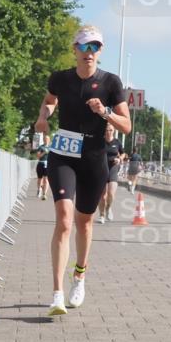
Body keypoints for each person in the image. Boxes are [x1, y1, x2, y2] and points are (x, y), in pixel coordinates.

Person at [35, 25, 131, 316]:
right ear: (75, 49)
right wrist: (43, 118)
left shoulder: (111, 82)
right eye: (85, 47)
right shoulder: (60, 79)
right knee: (64, 221)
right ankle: (57, 294)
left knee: (84, 222)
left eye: (95, 48)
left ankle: (79, 275)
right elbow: (50, 101)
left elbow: (126, 125)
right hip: (63, 154)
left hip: (93, 157)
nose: (90, 53)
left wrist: (104, 112)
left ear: (100, 52)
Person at [98, 124, 123, 224]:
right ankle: (101, 215)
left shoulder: (117, 142)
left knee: (111, 194)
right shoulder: (100, 141)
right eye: (107, 130)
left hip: (113, 168)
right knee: (102, 195)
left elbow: (123, 153)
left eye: (111, 130)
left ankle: (108, 208)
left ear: (114, 131)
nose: (108, 132)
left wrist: (120, 158)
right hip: (102, 169)